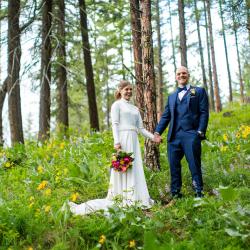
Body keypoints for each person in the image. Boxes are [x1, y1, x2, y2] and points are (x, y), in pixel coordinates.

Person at [69, 80, 155, 215]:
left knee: (135, 168)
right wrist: (117, 142)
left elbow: (141, 129)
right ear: (120, 91)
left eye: (130, 89)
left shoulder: (135, 109)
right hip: (123, 140)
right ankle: (122, 197)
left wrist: (153, 137)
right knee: (124, 169)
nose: (129, 92)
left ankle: (135, 198)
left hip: (134, 140)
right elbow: (115, 124)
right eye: (126, 89)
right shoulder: (117, 105)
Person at [154, 66, 209, 198]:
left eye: (184, 73)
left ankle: (198, 192)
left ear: (188, 75)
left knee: (194, 164)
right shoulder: (172, 96)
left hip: (191, 134)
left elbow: (204, 112)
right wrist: (157, 132)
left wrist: (200, 131)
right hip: (173, 136)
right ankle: (175, 193)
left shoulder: (199, 91)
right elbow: (166, 116)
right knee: (174, 166)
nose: (181, 75)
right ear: (175, 77)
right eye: (178, 73)